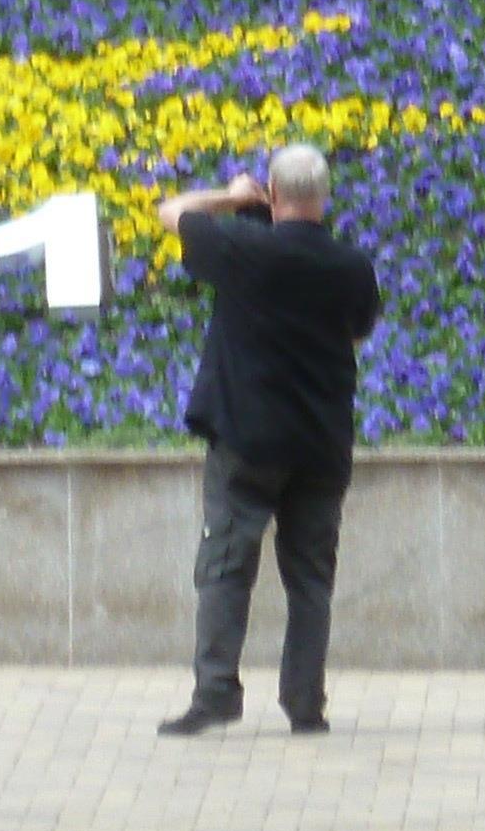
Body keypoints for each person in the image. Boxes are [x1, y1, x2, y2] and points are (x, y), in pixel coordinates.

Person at [153, 143, 380, 738]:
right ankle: (305, 704)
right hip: (320, 443)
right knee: (310, 579)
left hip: (246, 440)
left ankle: (215, 695)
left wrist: (232, 197)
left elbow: (171, 210)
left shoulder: (240, 248)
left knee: (225, 568)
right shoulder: (352, 266)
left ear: (273, 194)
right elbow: (357, 333)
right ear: (324, 197)